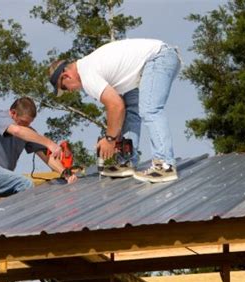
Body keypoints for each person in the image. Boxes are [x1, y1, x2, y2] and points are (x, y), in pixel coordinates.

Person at [48, 38, 181, 183]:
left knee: (150, 109)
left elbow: (116, 106)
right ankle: (127, 161)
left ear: (66, 76)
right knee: (132, 110)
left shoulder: (87, 75)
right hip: (146, 66)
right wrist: (113, 135)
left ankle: (165, 165)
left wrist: (110, 139)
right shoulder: (89, 66)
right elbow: (118, 111)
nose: (70, 91)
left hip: (158, 58)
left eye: (65, 88)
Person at [0, 97, 77, 197]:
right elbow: (17, 131)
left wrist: (65, 173)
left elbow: (47, 157)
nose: (26, 126)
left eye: (29, 123)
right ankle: (27, 225)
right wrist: (50, 143)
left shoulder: (27, 132)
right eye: (23, 122)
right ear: (13, 113)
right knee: (25, 184)